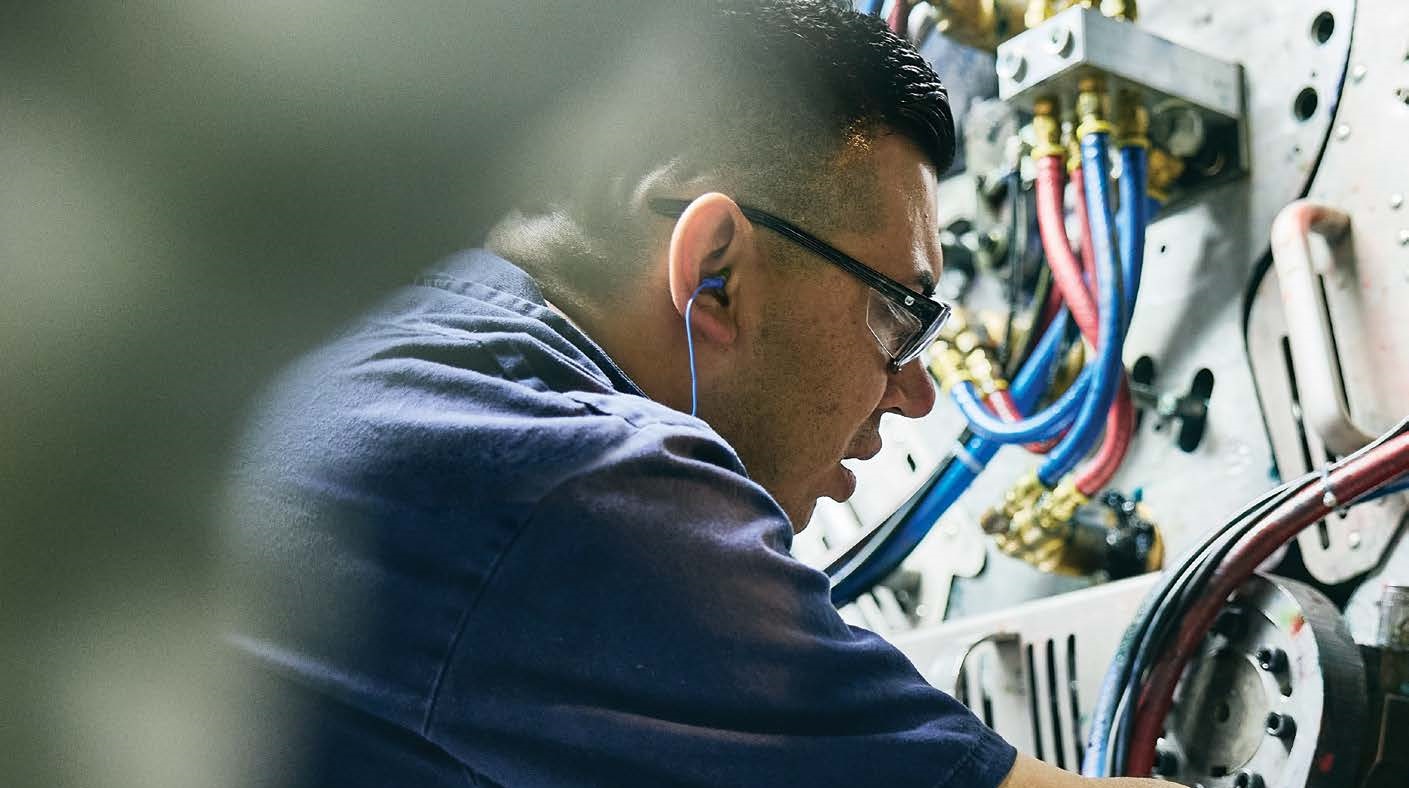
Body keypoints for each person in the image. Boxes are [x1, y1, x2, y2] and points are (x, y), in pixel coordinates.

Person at [224, 2, 1161, 785]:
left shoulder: (393, 364)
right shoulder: (566, 478)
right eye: (899, 315)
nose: (914, 394)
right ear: (715, 270)